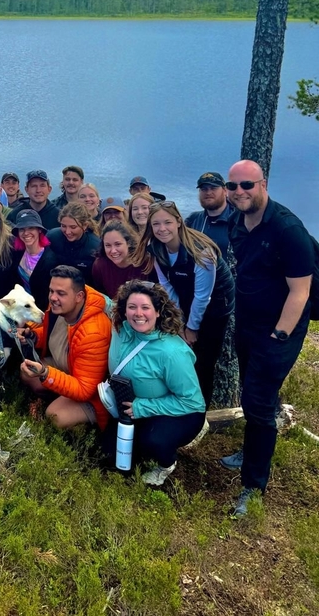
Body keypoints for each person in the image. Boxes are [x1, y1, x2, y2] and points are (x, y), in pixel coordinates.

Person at [222, 159, 315, 517]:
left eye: (247, 185)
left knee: (259, 403)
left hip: (278, 330)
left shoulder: (287, 229)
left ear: (263, 183)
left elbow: (300, 291)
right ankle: (251, 449)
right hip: (247, 324)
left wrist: (279, 335)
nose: (239, 192)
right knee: (252, 391)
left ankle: (253, 486)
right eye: (233, 186)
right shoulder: (238, 222)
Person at [132, 200, 235, 409]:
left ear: (179, 221)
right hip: (186, 297)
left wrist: (192, 329)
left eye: (167, 222)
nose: (162, 229)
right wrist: (179, 324)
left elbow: (203, 296)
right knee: (179, 350)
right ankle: (178, 399)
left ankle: (200, 408)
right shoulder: (157, 248)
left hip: (216, 305)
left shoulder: (201, 251)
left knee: (204, 359)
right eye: (156, 224)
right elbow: (167, 287)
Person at [106, 280, 206, 485]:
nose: (138, 313)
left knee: (154, 441)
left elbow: (192, 402)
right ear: (124, 311)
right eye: (132, 307)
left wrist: (143, 407)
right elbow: (98, 300)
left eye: (145, 308)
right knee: (108, 451)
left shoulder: (172, 352)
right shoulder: (121, 329)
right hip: (133, 405)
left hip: (180, 412)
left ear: (159, 312)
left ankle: (166, 464)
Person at [19, 266, 111, 430]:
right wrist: (33, 336)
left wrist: (45, 374)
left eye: (61, 293)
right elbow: (52, 335)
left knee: (56, 416)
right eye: (51, 291)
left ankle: (86, 432)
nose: (53, 297)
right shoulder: (63, 306)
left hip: (91, 395)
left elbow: (85, 390)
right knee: (27, 374)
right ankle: (54, 397)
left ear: (79, 296)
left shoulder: (93, 332)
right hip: (69, 368)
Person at [92, 220, 155, 299]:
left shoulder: (145, 262)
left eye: (118, 244)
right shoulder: (100, 265)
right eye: (108, 245)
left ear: (128, 243)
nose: (113, 250)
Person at [11, 209, 59, 311]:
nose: (26, 233)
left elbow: (49, 295)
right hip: (20, 310)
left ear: (39, 230)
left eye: (31, 228)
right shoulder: (16, 254)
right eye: (22, 229)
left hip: (40, 314)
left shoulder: (50, 261)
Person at [46, 202, 100, 285]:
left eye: (73, 227)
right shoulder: (52, 237)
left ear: (85, 225)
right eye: (63, 226)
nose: (67, 232)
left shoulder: (95, 247)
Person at [185, 172, 235, 261]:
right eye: (204, 189)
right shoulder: (192, 220)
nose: (208, 192)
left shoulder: (239, 220)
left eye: (213, 188)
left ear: (225, 191)